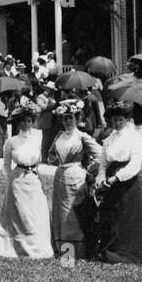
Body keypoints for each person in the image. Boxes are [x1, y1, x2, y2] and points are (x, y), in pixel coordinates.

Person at [92, 101, 142, 265]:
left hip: (127, 183)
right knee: (110, 215)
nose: (117, 123)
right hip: (110, 181)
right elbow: (103, 164)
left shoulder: (133, 137)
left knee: (128, 217)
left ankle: (128, 251)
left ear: (127, 119)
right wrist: (101, 179)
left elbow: (135, 165)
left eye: (120, 120)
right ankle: (110, 249)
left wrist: (116, 178)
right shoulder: (109, 139)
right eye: (114, 120)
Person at [0, 103, 54, 259]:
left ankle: (37, 247)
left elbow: (39, 160)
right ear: (19, 122)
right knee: (18, 214)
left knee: (35, 213)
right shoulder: (11, 141)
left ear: (32, 122)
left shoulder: (37, 139)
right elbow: (6, 165)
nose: (26, 124)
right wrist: (11, 180)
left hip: (34, 179)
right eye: (23, 121)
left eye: (29, 121)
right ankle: (14, 246)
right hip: (17, 180)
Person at [45, 98, 101, 259]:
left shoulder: (82, 136)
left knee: (73, 214)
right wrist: (55, 160)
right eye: (65, 118)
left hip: (76, 177)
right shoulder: (59, 136)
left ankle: (76, 252)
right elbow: (50, 155)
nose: (68, 121)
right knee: (60, 214)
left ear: (77, 118)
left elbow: (100, 155)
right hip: (60, 177)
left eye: (71, 117)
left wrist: (90, 171)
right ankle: (61, 249)